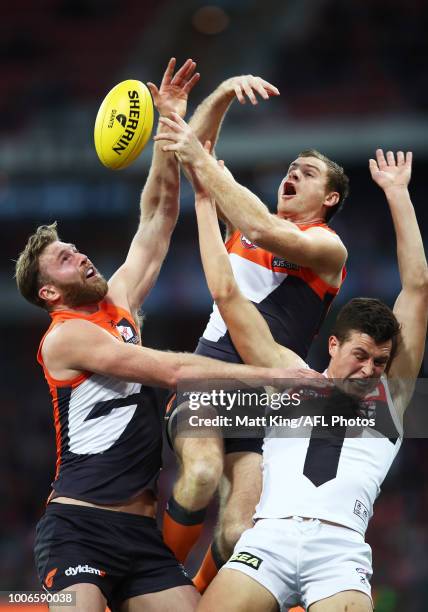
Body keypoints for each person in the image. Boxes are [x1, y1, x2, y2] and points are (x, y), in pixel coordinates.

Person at [15, 59, 290, 612]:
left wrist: (169, 123)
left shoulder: (118, 303)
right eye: (65, 260)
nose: (81, 254)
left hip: (142, 538)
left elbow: (160, 214)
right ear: (49, 293)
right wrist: (269, 374)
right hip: (78, 527)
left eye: (75, 247)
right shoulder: (63, 339)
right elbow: (171, 371)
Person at [189, 148, 427, 612]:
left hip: (339, 552)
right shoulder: (291, 380)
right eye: (361, 355)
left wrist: (398, 193)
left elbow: (417, 287)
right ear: (334, 346)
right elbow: (228, 296)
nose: (369, 369)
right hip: (270, 538)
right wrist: (203, 199)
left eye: (379, 361)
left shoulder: (389, 400)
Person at [155, 81, 349, 592]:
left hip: (268, 395)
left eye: (306, 174)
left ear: (328, 198)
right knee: (198, 476)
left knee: (242, 531)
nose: (292, 174)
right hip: (212, 374)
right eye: (290, 169)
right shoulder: (243, 223)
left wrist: (202, 159)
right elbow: (192, 155)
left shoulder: (328, 249)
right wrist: (218, 97)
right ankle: (150, 588)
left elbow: (262, 228)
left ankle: (195, 594)